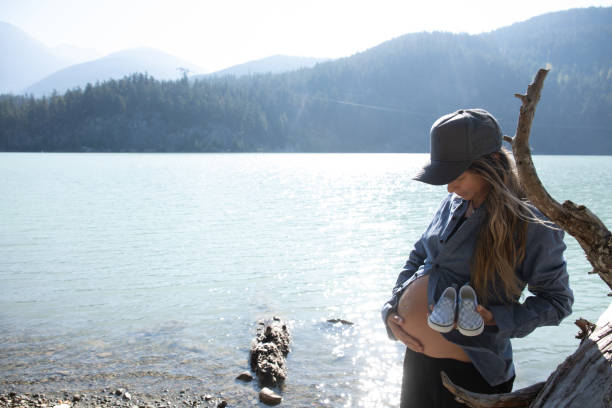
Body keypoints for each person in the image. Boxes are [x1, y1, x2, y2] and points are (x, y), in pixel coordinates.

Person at [381, 108, 574, 407]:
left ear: (492, 164)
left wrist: (496, 318)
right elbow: (419, 254)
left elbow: (557, 302)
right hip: (417, 363)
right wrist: (392, 306)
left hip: (471, 375)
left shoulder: (532, 224)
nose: (448, 187)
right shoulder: (454, 201)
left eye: (456, 176)